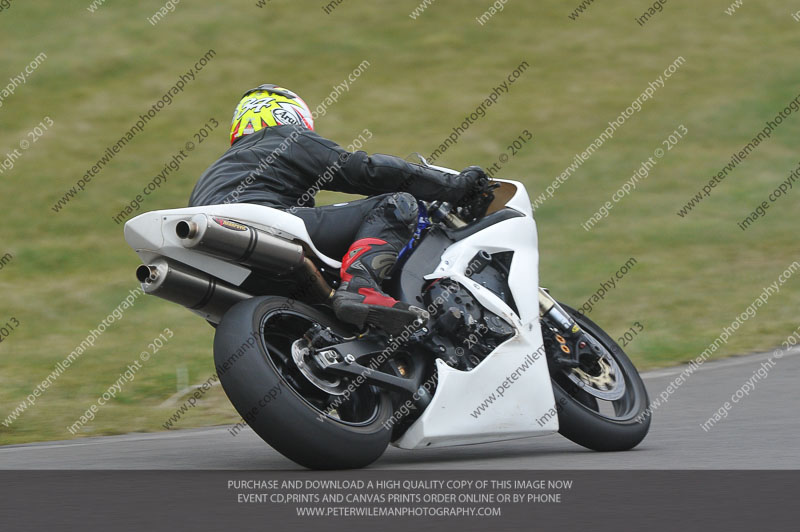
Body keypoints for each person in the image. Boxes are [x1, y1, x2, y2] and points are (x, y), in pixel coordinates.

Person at [189, 84, 487, 334]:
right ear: (287, 114)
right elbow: (363, 170)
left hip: (214, 254)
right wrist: (456, 186)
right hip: (260, 226)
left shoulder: (213, 173)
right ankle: (362, 286)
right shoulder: (285, 138)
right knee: (395, 203)